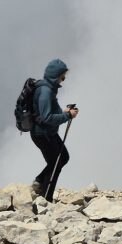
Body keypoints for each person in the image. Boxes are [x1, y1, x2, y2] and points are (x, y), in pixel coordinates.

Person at [31, 58, 78, 202]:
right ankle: (45, 197)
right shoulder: (45, 91)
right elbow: (46, 117)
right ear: (56, 75)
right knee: (56, 162)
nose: (63, 79)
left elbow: (47, 113)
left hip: (47, 132)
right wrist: (67, 115)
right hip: (43, 134)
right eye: (62, 75)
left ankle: (39, 183)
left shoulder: (48, 89)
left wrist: (64, 112)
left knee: (62, 157)